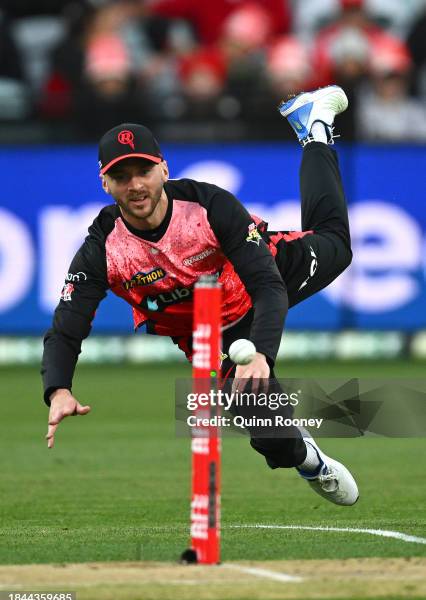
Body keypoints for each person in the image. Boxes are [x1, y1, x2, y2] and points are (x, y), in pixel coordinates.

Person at [41, 84, 359, 506]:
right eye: (121, 176)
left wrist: (262, 353)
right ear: (105, 183)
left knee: (336, 246)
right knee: (275, 442)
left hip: (259, 279)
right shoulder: (103, 249)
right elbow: (67, 328)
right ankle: (309, 460)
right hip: (209, 336)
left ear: (164, 170)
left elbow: (267, 285)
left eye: (143, 171)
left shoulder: (209, 206)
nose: (135, 185)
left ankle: (314, 127)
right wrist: (58, 389)